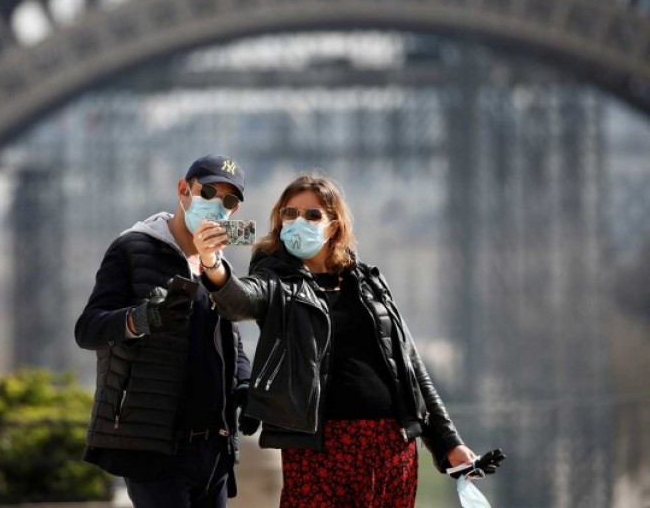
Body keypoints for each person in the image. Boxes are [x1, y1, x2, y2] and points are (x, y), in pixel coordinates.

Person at [193, 173, 504, 507]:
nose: (299, 221)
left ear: (334, 226)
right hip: (320, 452)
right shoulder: (276, 281)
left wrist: (449, 443)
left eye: (313, 215)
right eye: (290, 213)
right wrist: (212, 263)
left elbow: (411, 371)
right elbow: (240, 299)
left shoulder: (369, 283)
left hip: (391, 448)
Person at [74, 154, 252, 508]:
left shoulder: (218, 266)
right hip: (154, 446)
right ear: (183, 190)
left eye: (229, 200)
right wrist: (142, 319)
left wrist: (245, 387)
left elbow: (229, 339)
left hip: (214, 450)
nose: (217, 205)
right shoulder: (132, 248)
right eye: (209, 192)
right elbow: (88, 328)